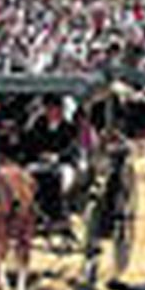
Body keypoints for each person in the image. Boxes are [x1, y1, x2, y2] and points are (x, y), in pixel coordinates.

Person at [22, 94, 85, 222]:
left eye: (55, 109)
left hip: (63, 163)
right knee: (30, 175)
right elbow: (30, 145)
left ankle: (59, 213)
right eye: (49, 109)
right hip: (39, 163)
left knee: (59, 177)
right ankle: (34, 211)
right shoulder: (38, 125)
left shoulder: (69, 128)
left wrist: (57, 157)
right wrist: (40, 154)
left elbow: (72, 148)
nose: (52, 112)